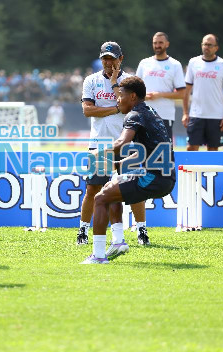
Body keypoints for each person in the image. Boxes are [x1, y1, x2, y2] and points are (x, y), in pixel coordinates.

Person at [81, 76, 175, 264]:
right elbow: (146, 152)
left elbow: (121, 143)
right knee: (112, 186)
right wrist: (117, 164)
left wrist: (98, 153)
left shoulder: (134, 115)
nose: (117, 100)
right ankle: (118, 242)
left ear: (132, 96)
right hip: (165, 177)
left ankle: (98, 256)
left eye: (120, 95)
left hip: (154, 177)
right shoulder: (151, 111)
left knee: (100, 198)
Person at [78, 41, 149, 249]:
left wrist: (115, 83)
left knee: (133, 188)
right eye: (105, 58)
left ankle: (141, 229)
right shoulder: (91, 80)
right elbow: (88, 110)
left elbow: (131, 109)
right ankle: (83, 230)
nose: (108, 62)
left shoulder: (130, 81)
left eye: (112, 58)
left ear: (121, 59)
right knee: (93, 188)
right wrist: (116, 109)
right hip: (99, 142)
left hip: (127, 141)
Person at [181, 34, 223, 151]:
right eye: (205, 44)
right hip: (196, 115)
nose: (206, 47)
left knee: (212, 151)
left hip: (216, 116)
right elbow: (186, 91)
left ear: (216, 48)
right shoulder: (193, 62)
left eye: (210, 45)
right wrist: (185, 113)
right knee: (191, 148)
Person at [136, 32, 186, 139]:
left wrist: (160, 95)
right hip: (144, 115)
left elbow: (182, 94)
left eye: (160, 43)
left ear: (167, 44)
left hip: (165, 116)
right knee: (143, 148)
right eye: (155, 43)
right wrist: (143, 96)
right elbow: (135, 89)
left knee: (164, 148)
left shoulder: (175, 65)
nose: (157, 45)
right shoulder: (144, 63)